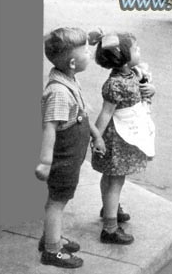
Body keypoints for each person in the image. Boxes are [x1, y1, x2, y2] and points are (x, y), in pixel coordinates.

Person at [35, 27, 103, 269]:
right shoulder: (58, 93)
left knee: (60, 200)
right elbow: (50, 128)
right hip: (62, 158)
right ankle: (52, 251)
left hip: (71, 157)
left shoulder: (69, 78)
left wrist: (96, 136)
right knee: (57, 202)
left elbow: (81, 113)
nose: (90, 53)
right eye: (86, 50)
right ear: (74, 62)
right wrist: (45, 162)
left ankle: (51, 238)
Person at [88, 30, 156, 245]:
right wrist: (96, 137)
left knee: (111, 178)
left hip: (127, 133)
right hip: (117, 137)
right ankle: (110, 229)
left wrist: (151, 89)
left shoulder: (134, 73)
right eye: (135, 49)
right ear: (123, 56)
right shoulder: (115, 84)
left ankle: (110, 208)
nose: (139, 51)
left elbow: (146, 88)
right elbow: (106, 112)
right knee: (114, 180)